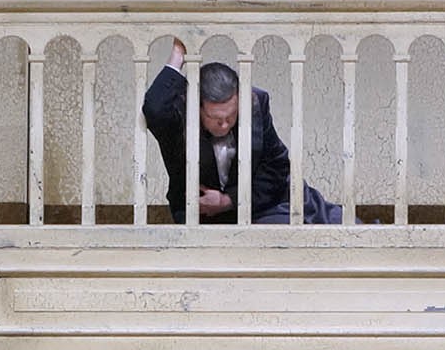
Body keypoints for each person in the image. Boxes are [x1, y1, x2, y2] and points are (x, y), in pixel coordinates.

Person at [142, 42, 341, 225]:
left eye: (231, 116)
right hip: (202, 215)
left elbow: (276, 167)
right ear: (197, 108)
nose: (224, 125)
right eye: (215, 118)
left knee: (337, 225)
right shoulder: (180, 117)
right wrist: (178, 55)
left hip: (262, 204)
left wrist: (228, 200)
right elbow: (153, 108)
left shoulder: (254, 103)